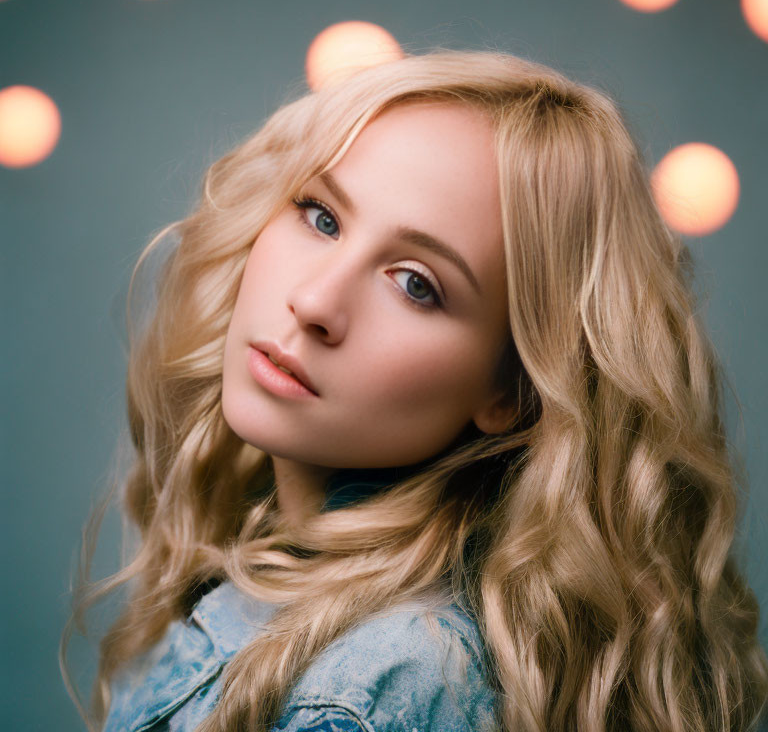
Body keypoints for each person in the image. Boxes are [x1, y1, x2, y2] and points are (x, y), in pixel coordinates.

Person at [61, 49, 768, 732]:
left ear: (512, 393)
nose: (313, 301)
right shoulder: (288, 590)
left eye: (416, 285)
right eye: (321, 216)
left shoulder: (370, 689)